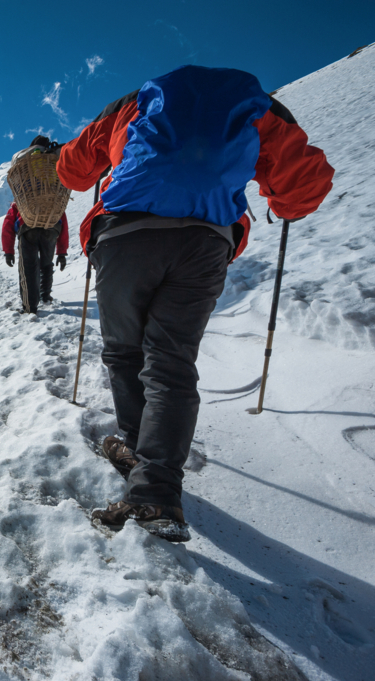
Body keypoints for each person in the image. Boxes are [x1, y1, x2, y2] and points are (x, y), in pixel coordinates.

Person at [56, 65, 334, 542]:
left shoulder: (131, 103)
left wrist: (114, 156)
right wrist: (281, 204)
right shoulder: (257, 107)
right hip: (205, 245)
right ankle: (157, 491)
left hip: (126, 236)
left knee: (124, 351)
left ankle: (137, 450)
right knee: (171, 363)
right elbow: (303, 184)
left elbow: (73, 170)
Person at [3, 137, 70, 313]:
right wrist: (62, 253)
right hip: (52, 226)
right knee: (46, 264)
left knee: (28, 268)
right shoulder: (52, 189)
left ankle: (30, 307)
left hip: (28, 227)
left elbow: (8, 224)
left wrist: (8, 251)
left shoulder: (23, 197)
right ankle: (45, 296)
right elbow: (64, 223)